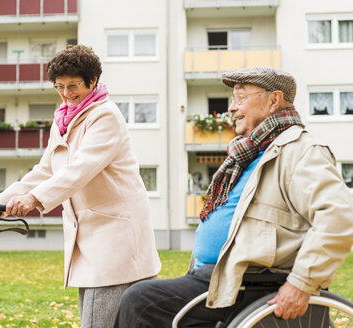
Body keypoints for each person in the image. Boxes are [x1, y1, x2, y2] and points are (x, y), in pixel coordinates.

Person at [114, 66, 353, 327]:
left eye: (240, 98)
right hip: (222, 278)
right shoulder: (248, 153)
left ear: (273, 100)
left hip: (252, 282)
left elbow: (338, 215)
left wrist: (302, 283)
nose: (232, 107)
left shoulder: (301, 151)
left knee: (142, 300)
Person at [0, 44, 161, 328]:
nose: (66, 93)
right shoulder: (63, 120)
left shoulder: (105, 115)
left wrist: (33, 199)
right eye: (60, 86)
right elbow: (46, 169)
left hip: (116, 236)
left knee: (98, 321)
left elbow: (80, 169)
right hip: (91, 236)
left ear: (93, 81)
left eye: (73, 85)